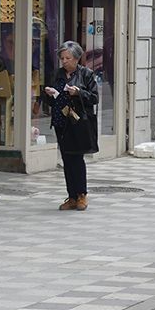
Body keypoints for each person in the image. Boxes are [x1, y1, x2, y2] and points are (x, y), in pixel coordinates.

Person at [44, 41, 99, 212]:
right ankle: (72, 196)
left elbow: (94, 98)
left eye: (68, 58)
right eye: (62, 58)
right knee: (67, 159)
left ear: (76, 58)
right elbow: (48, 101)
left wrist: (78, 92)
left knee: (77, 157)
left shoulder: (86, 74)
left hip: (78, 122)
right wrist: (49, 94)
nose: (65, 61)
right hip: (61, 121)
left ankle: (82, 194)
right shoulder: (57, 74)